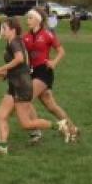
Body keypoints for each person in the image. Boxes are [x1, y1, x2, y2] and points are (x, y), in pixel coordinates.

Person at [0, 18, 62, 153]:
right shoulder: (12, 42)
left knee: (26, 124)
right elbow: (22, 65)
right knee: (1, 114)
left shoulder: (15, 42)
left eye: (4, 28)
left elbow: (20, 59)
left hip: (21, 86)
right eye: (1, 28)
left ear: (13, 30)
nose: (2, 31)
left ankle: (59, 125)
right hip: (15, 84)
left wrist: (0, 69)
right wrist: (4, 74)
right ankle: (2, 147)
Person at [24, 9, 78, 143]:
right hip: (32, 72)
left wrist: (54, 62)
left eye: (30, 18)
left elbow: (61, 51)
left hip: (44, 71)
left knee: (26, 99)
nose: (28, 21)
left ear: (38, 20)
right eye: (27, 18)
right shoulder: (26, 36)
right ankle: (72, 129)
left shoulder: (47, 34)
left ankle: (36, 130)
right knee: (50, 106)